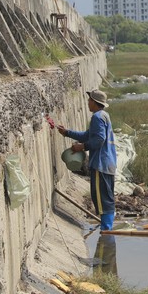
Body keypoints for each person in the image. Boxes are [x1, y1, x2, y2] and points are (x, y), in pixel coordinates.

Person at [57, 89, 117, 230]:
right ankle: (106, 227)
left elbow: (98, 140)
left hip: (100, 164)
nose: (88, 103)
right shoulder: (104, 116)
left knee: (101, 199)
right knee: (106, 197)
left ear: (95, 103)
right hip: (108, 163)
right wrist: (67, 132)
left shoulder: (97, 117)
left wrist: (82, 147)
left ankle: (106, 229)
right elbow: (87, 135)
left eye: (89, 100)